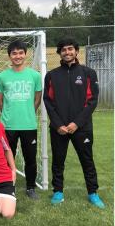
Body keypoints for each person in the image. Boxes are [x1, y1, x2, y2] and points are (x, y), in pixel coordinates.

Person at [43, 38, 105, 208]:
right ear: (60, 53)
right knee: (58, 160)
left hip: (82, 127)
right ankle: (58, 191)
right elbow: (48, 102)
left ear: (77, 51)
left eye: (70, 49)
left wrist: (76, 123)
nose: (67, 52)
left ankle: (93, 193)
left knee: (87, 160)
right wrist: (57, 125)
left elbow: (92, 101)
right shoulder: (51, 75)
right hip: (59, 128)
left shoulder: (88, 73)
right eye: (63, 50)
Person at [0, 40, 42, 199]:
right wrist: (9, 114)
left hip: (29, 124)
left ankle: (30, 187)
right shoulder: (2, 77)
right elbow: (0, 101)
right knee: (7, 157)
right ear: (9, 56)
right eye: (14, 53)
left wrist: (28, 112)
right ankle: (8, 185)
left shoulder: (35, 75)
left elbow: (37, 99)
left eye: (20, 52)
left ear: (25, 54)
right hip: (8, 125)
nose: (18, 56)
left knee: (30, 157)